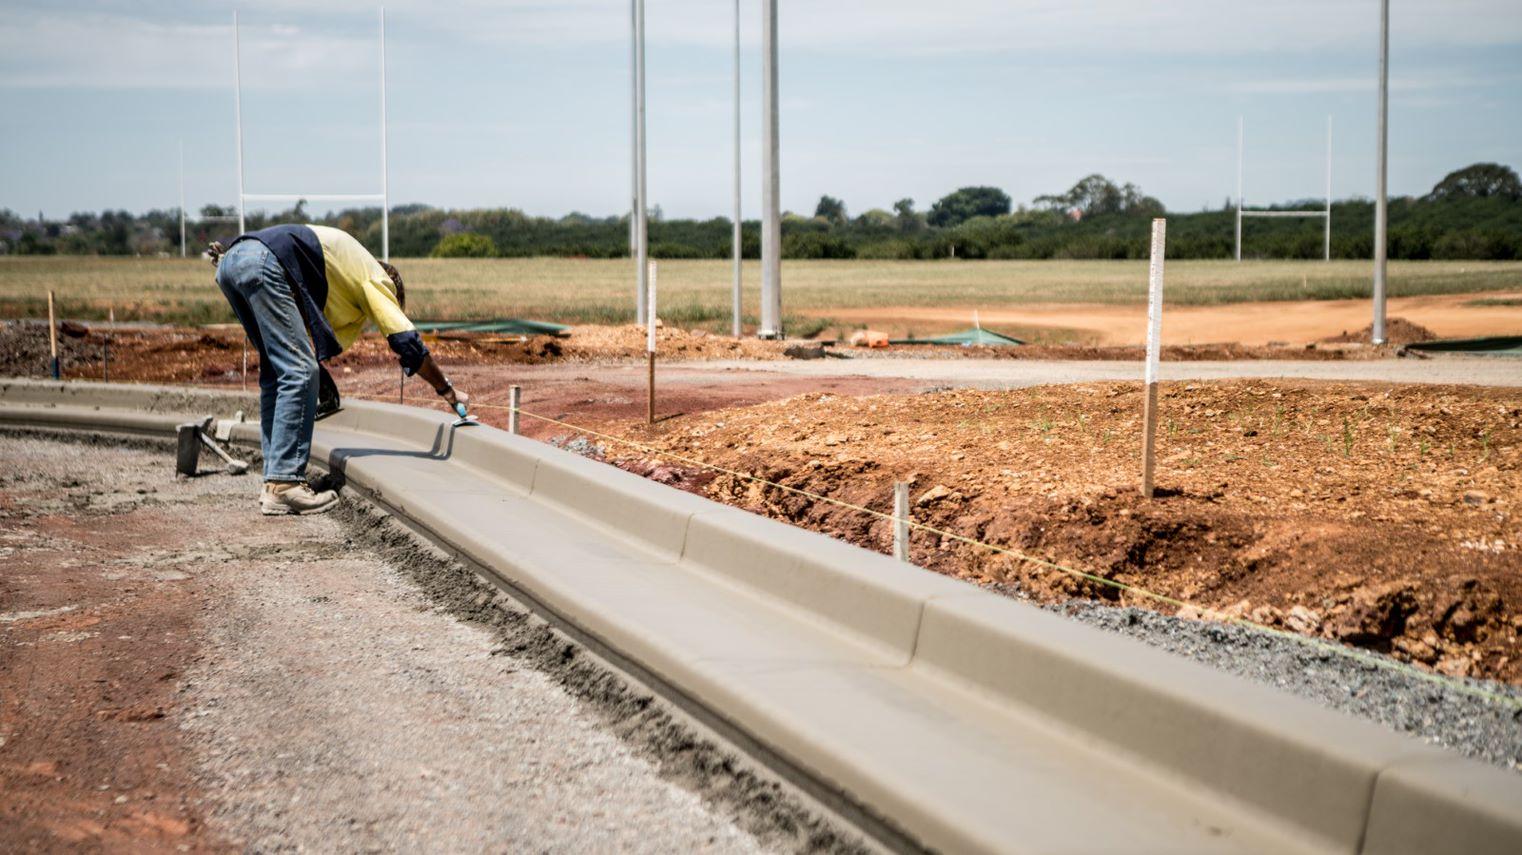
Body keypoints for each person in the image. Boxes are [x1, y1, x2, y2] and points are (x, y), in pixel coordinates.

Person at [209, 224, 467, 515]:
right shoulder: (376, 278)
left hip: (235, 261)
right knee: (300, 372)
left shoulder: (340, 271)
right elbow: (405, 340)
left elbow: (296, 328)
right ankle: (285, 483)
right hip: (262, 261)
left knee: (277, 372)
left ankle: (274, 481)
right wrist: (447, 390)